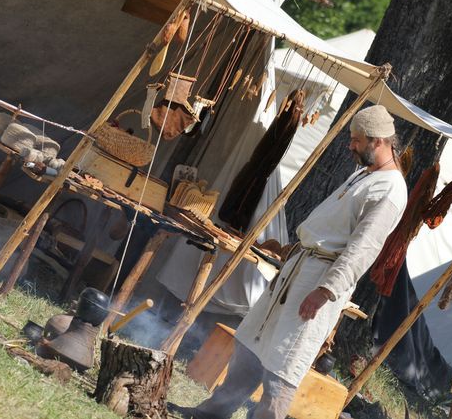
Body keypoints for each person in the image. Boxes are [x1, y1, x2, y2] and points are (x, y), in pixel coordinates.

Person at [171, 105, 408, 419]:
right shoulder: (365, 174)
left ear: (378, 141)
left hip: (320, 278)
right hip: (300, 269)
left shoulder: (391, 190)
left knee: (283, 365)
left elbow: (363, 249)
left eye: (357, 140)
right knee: (251, 348)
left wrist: (325, 291)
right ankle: (210, 415)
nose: (351, 146)